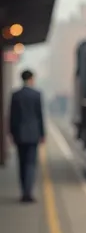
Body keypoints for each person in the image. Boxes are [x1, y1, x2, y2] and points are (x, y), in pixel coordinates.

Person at [9, 69, 45, 202]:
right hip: (33, 134)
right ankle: (28, 193)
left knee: (22, 163)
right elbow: (40, 116)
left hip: (19, 134)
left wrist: (11, 133)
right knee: (30, 163)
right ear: (31, 79)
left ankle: (23, 190)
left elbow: (12, 116)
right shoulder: (37, 94)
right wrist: (42, 134)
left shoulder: (15, 95)